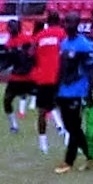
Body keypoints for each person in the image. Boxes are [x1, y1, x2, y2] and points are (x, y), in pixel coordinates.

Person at [54, 12, 93, 174]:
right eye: (66, 22)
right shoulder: (64, 43)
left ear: (77, 24)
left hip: (77, 91)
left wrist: (90, 92)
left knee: (73, 126)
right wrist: (55, 88)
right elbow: (61, 68)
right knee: (70, 126)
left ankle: (68, 161)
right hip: (63, 91)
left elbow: (91, 70)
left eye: (70, 22)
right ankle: (90, 156)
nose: (67, 25)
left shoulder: (84, 45)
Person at [31, 10, 67, 154]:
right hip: (58, 76)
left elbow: (30, 53)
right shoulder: (63, 34)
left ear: (47, 21)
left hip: (43, 77)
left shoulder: (39, 36)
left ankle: (43, 144)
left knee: (42, 111)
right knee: (64, 108)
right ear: (59, 21)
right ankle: (67, 137)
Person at [0, 19, 35, 133]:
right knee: (7, 100)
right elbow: (9, 61)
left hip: (29, 76)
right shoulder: (8, 44)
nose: (13, 28)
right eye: (11, 27)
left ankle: (59, 125)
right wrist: (0, 69)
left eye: (14, 26)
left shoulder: (27, 40)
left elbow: (33, 55)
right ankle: (14, 125)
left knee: (45, 98)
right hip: (16, 78)